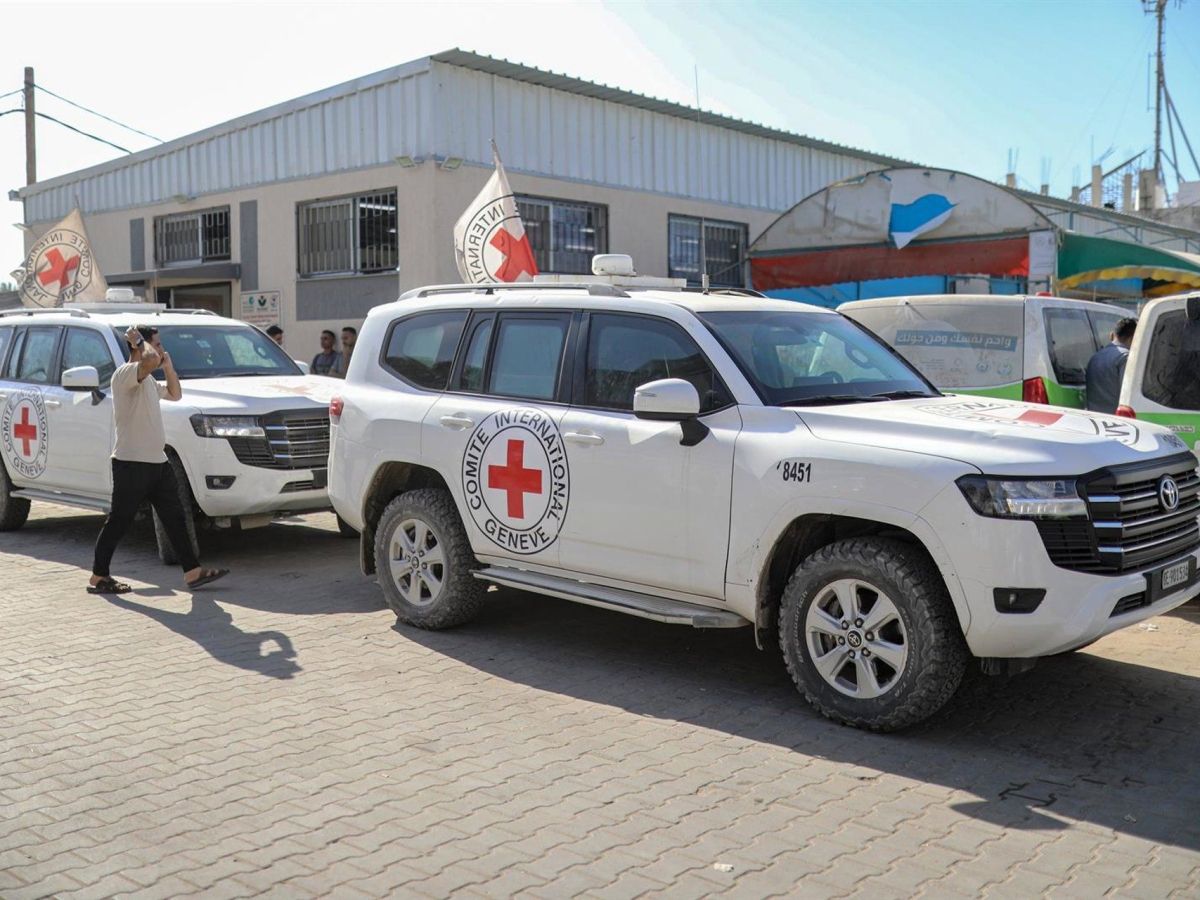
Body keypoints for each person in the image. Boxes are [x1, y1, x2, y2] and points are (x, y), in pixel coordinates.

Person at [88, 325, 228, 594]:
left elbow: (175, 394)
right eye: (158, 343)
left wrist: (169, 368)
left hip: (157, 464)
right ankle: (99, 576)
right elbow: (149, 359)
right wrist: (141, 343)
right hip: (131, 464)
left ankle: (192, 572)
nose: (161, 349)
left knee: (175, 518)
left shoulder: (149, 380)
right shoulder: (125, 374)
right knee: (119, 521)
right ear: (139, 346)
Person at [1085, 317, 1137, 414]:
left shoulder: (1096, 356)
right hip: (1115, 418)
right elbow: (1128, 394)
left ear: (1114, 334)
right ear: (1132, 338)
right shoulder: (1125, 358)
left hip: (1093, 416)